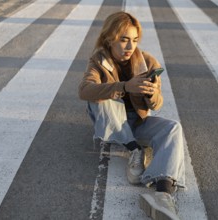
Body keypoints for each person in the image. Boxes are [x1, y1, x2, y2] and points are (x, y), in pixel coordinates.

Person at [78, 11, 185, 220]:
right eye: (124, 40)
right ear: (110, 38)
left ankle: (162, 194)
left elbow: (159, 103)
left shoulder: (147, 61)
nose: (130, 47)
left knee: (173, 128)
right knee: (99, 99)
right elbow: (84, 90)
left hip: (138, 121)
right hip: (113, 120)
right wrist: (124, 86)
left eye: (134, 40)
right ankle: (134, 150)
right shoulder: (98, 61)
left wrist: (152, 94)